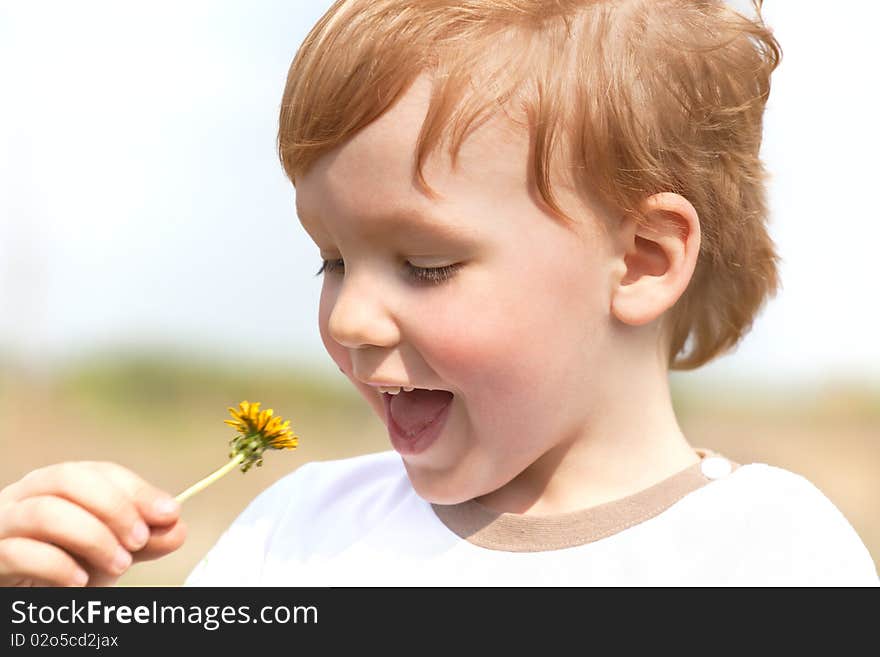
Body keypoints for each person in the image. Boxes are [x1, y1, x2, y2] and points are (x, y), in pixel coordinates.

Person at [1, 0, 876, 587]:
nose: (346, 318)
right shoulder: (300, 534)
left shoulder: (773, 556)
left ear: (644, 258)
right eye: (331, 258)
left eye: (425, 266)